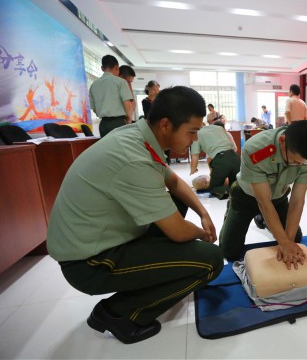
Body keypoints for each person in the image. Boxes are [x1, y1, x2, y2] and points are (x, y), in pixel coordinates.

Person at [46, 86, 224, 344]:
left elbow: (173, 182)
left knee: (175, 204)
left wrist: (203, 213)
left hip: (103, 239)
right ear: (166, 125)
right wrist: (203, 234)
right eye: (192, 132)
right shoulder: (132, 156)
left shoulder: (137, 137)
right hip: (89, 263)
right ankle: (118, 313)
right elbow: (176, 230)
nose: (195, 140)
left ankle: (155, 267)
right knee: (211, 261)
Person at [219, 120, 307, 269]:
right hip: (245, 197)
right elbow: (264, 202)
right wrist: (282, 242)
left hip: (278, 198)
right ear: (282, 141)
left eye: (303, 163)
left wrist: (288, 242)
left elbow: (297, 200)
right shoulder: (256, 149)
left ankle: (263, 220)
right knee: (229, 251)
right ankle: (239, 212)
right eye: (294, 161)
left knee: (295, 238)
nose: (298, 165)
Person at [190, 121, 240, 199]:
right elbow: (233, 146)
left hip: (221, 160)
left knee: (213, 188)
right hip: (236, 157)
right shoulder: (218, 128)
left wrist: (193, 169)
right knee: (235, 184)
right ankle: (236, 191)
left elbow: (195, 157)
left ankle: (229, 191)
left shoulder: (196, 135)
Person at [89, 55, 134, 137]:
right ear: (117, 67)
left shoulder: (93, 85)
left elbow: (94, 109)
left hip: (103, 125)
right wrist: (129, 119)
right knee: (121, 149)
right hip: (118, 123)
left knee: (108, 149)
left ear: (102, 68)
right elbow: (127, 104)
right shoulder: (120, 82)